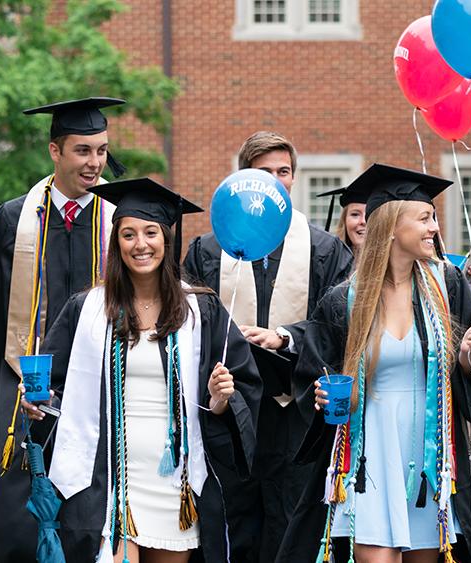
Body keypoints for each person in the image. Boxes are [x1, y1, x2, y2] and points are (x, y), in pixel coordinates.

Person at [276, 164, 471, 563]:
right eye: (424, 218)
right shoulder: (343, 301)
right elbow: (316, 376)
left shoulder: (447, 286)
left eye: (433, 218)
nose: (434, 227)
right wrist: (322, 393)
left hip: (428, 452)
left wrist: (469, 355)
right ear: (391, 226)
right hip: (369, 453)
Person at [23, 177, 263, 563]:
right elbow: (53, 388)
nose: (140, 244)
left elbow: (242, 391)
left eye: (151, 232)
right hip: (105, 476)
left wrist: (220, 401)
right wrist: (38, 405)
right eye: (129, 234)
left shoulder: (201, 310)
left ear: (167, 240)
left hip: (176, 481)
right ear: (116, 242)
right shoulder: (87, 308)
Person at [0, 96, 126, 561]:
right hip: (21, 381)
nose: (95, 162)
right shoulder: (14, 217)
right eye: (83, 150)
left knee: (88, 505)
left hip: (96, 383)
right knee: (15, 509)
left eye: (102, 150)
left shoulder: (119, 219)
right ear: (55, 151)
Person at [182, 131, 353, 561]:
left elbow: (340, 326)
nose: (276, 180)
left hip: (294, 412)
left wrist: (286, 336)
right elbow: (186, 322)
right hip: (230, 412)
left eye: (284, 172)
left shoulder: (324, 249)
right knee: (234, 519)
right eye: (264, 172)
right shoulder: (207, 249)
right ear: (243, 179)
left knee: (290, 523)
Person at [318, 184, 368, 261]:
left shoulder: (391, 267)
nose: (363, 221)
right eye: (355, 214)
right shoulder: (329, 264)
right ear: (344, 221)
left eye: (369, 214)